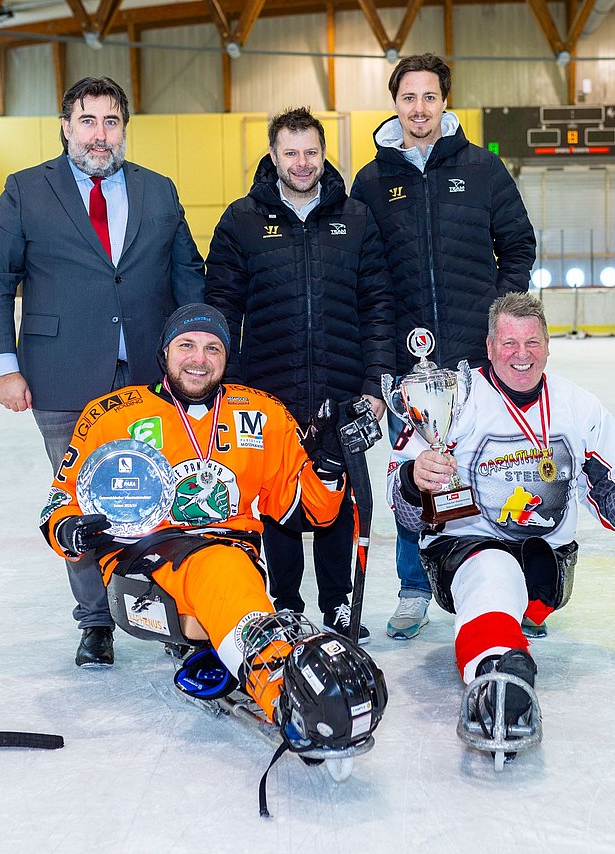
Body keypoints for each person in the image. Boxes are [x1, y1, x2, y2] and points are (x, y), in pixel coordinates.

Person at [39, 304, 386, 750]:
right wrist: (69, 528)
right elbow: (60, 499)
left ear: (226, 358)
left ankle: (225, 652)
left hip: (234, 556)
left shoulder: (263, 413)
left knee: (226, 573)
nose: (199, 358)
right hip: (146, 559)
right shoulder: (114, 413)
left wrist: (332, 462)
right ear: (165, 352)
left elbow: (307, 511)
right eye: (186, 345)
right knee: (221, 570)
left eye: (213, 348)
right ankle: (286, 691)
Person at [387, 292, 615, 742]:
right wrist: (413, 479)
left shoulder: (579, 407)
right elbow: (402, 510)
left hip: (546, 563)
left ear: (549, 345)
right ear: (490, 346)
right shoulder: (453, 399)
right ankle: (498, 673)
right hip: (464, 548)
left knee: (524, 577)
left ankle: (523, 612)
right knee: (493, 571)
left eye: (532, 342)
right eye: (510, 343)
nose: (522, 355)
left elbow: (613, 503)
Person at [0, 76, 205, 668]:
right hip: (62, 374)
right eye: (88, 121)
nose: (99, 134)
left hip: (151, 383)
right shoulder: (26, 190)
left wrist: (204, 353)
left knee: (167, 499)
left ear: (125, 129)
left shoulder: (159, 191)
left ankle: (170, 614)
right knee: (79, 504)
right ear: (65, 126)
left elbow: (188, 279)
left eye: (111, 122)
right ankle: (95, 621)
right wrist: (5, 367)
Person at [351, 53, 537, 640]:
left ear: (445, 101)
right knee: (415, 470)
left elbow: (519, 247)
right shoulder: (373, 180)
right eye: (409, 98)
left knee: (493, 467)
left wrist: (496, 322)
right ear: (396, 102)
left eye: (430, 97)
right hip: (409, 361)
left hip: (473, 357)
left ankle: (508, 586)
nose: (420, 109)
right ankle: (413, 588)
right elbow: (365, 268)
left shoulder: (482, 169)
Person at [206, 107, 392, 643]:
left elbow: (378, 304)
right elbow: (222, 310)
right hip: (268, 392)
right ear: (273, 156)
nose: (302, 162)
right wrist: (231, 389)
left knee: (336, 502)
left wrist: (375, 384)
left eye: (311, 151)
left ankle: (336, 605)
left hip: (341, 385)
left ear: (323, 152)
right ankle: (285, 605)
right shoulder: (241, 220)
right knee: (278, 502)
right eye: (291, 152)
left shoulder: (355, 217)